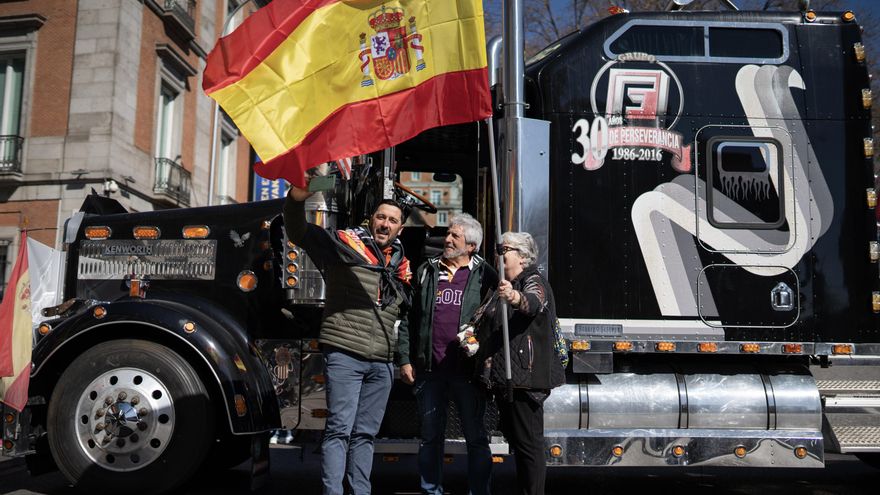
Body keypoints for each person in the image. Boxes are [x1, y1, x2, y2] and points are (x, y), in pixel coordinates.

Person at [284, 184, 412, 495]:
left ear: (400, 228)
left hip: (382, 364)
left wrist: (404, 359)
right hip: (345, 355)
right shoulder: (345, 245)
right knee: (339, 431)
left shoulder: (402, 266)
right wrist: (296, 199)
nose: (385, 224)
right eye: (380, 217)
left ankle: (361, 491)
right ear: (371, 220)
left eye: (392, 220)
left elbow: (403, 317)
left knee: (366, 435)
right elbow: (299, 232)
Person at [398, 213, 498, 495]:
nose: (448, 239)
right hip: (431, 371)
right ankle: (431, 490)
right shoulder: (427, 271)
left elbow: (495, 320)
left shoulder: (485, 274)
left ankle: (479, 491)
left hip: (468, 372)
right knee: (430, 438)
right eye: (449, 233)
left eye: (456, 235)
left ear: (471, 246)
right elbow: (409, 317)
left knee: (476, 437)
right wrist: (404, 358)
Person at [473, 232, 564, 495]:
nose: (498, 254)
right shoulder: (501, 285)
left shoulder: (534, 281)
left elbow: (533, 303)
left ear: (522, 257)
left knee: (529, 446)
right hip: (506, 378)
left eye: (504, 249)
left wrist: (514, 297)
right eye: (497, 248)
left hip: (526, 378)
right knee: (519, 445)